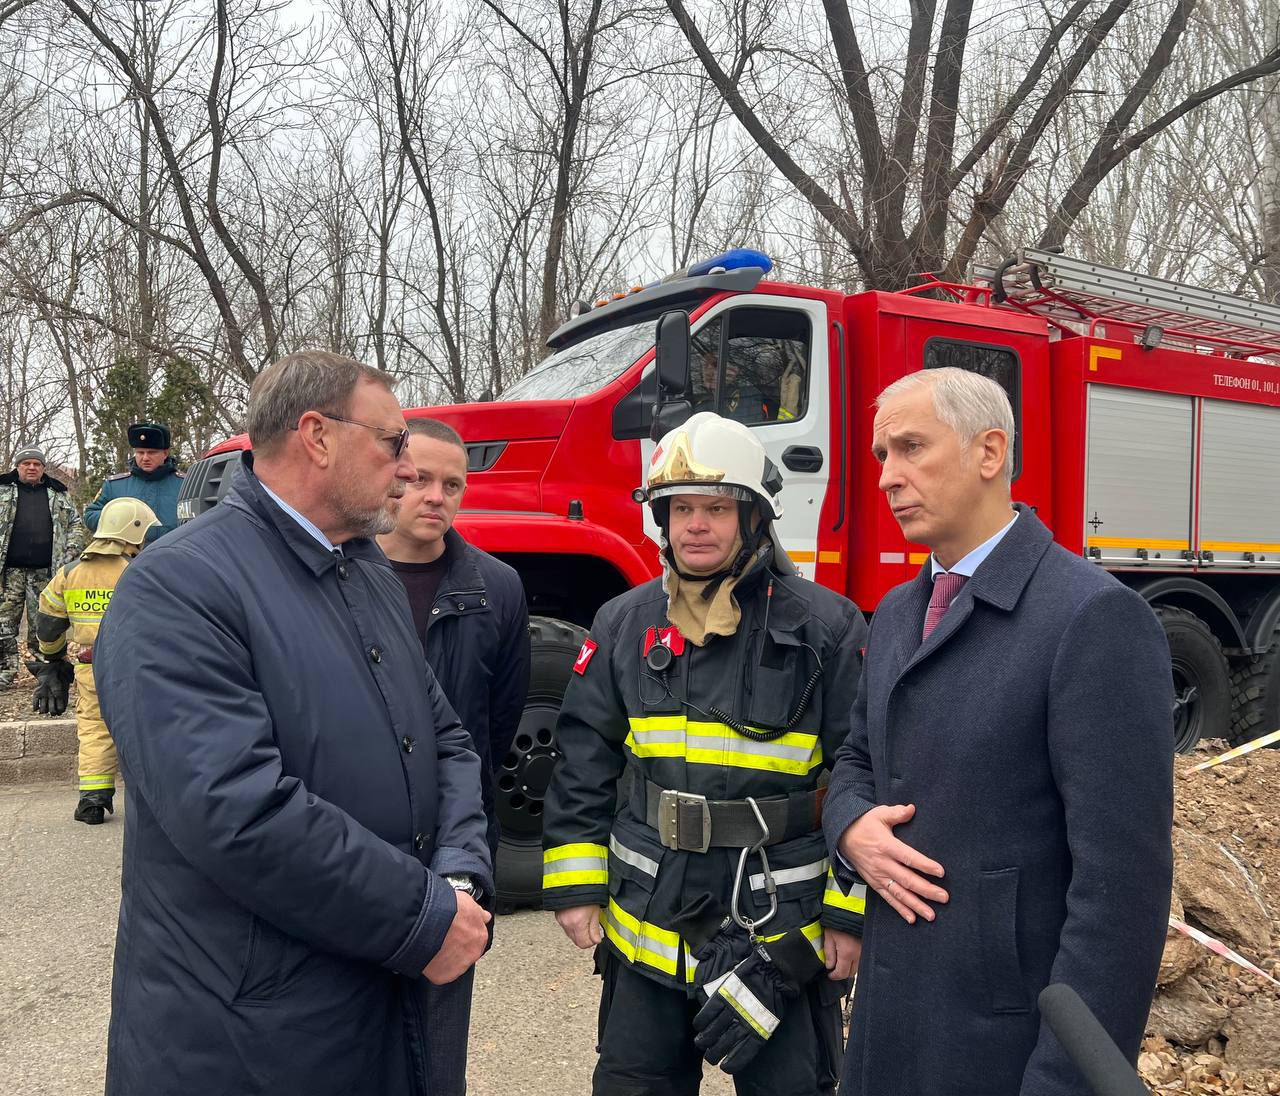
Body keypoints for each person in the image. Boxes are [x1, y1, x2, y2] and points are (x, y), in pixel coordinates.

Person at [93, 351, 493, 1096]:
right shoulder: (178, 585)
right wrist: (422, 917)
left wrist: (460, 876)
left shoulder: (365, 570)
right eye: (393, 442)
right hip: (250, 1041)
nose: (407, 470)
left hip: (377, 1004)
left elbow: (445, 740)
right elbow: (233, 810)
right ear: (316, 435)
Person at [823, 367, 1173, 1096]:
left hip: (1001, 1052)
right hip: (889, 1033)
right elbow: (856, 758)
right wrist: (851, 826)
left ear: (989, 452)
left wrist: (1065, 1080)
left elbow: (1121, 894)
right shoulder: (893, 613)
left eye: (911, 447)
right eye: (882, 455)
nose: (887, 477)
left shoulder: (1092, 619)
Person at [542, 411, 868, 1096]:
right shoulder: (624, 622)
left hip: (778, 933)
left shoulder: (827, 627)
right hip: (646, 923)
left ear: (754, 517)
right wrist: (575, 886)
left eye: (716, 507)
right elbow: (584, 758)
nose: (696, 524)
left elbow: (863, 774)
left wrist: (847, 914)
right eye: (681, 507)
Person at [377, 416, 530, 1096]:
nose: (435, 496)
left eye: (453, 484)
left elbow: (497, 725)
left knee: (438, 1047)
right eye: (417, 479)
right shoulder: (338, 576)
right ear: (387, 477)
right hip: (358, 841)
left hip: (451, 855)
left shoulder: (497, 589)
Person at [29, 497, 158, 824]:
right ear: (133, 532)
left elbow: (48, 621)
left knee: (95, 728)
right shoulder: (139, 570)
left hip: (91, 668)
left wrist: (54, 657)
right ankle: (155, 799)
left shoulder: (70, 573)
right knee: (143, 728)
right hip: (136, 668)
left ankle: (93, 800)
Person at [0, 446, 84, 688]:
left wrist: (69, 553)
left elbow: (76, 525)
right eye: (26, 464)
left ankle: (46, 673)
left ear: (43, 468)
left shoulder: (58, 493)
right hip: (8, 574)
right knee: (3, 623)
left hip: (46, 572)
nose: (31, 467)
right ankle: (4, 673)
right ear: (18, 466)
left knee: (44, 623)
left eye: (37, 464)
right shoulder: (3, 490)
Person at [84, 422, 183, 542]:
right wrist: (118, 517)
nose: (145, 458)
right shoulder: (115, 486)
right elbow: (90, 516)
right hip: (127, 558)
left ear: (165, 453)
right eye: (140, 452)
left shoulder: (186, 484)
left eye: (151, 452)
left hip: (174, 556)